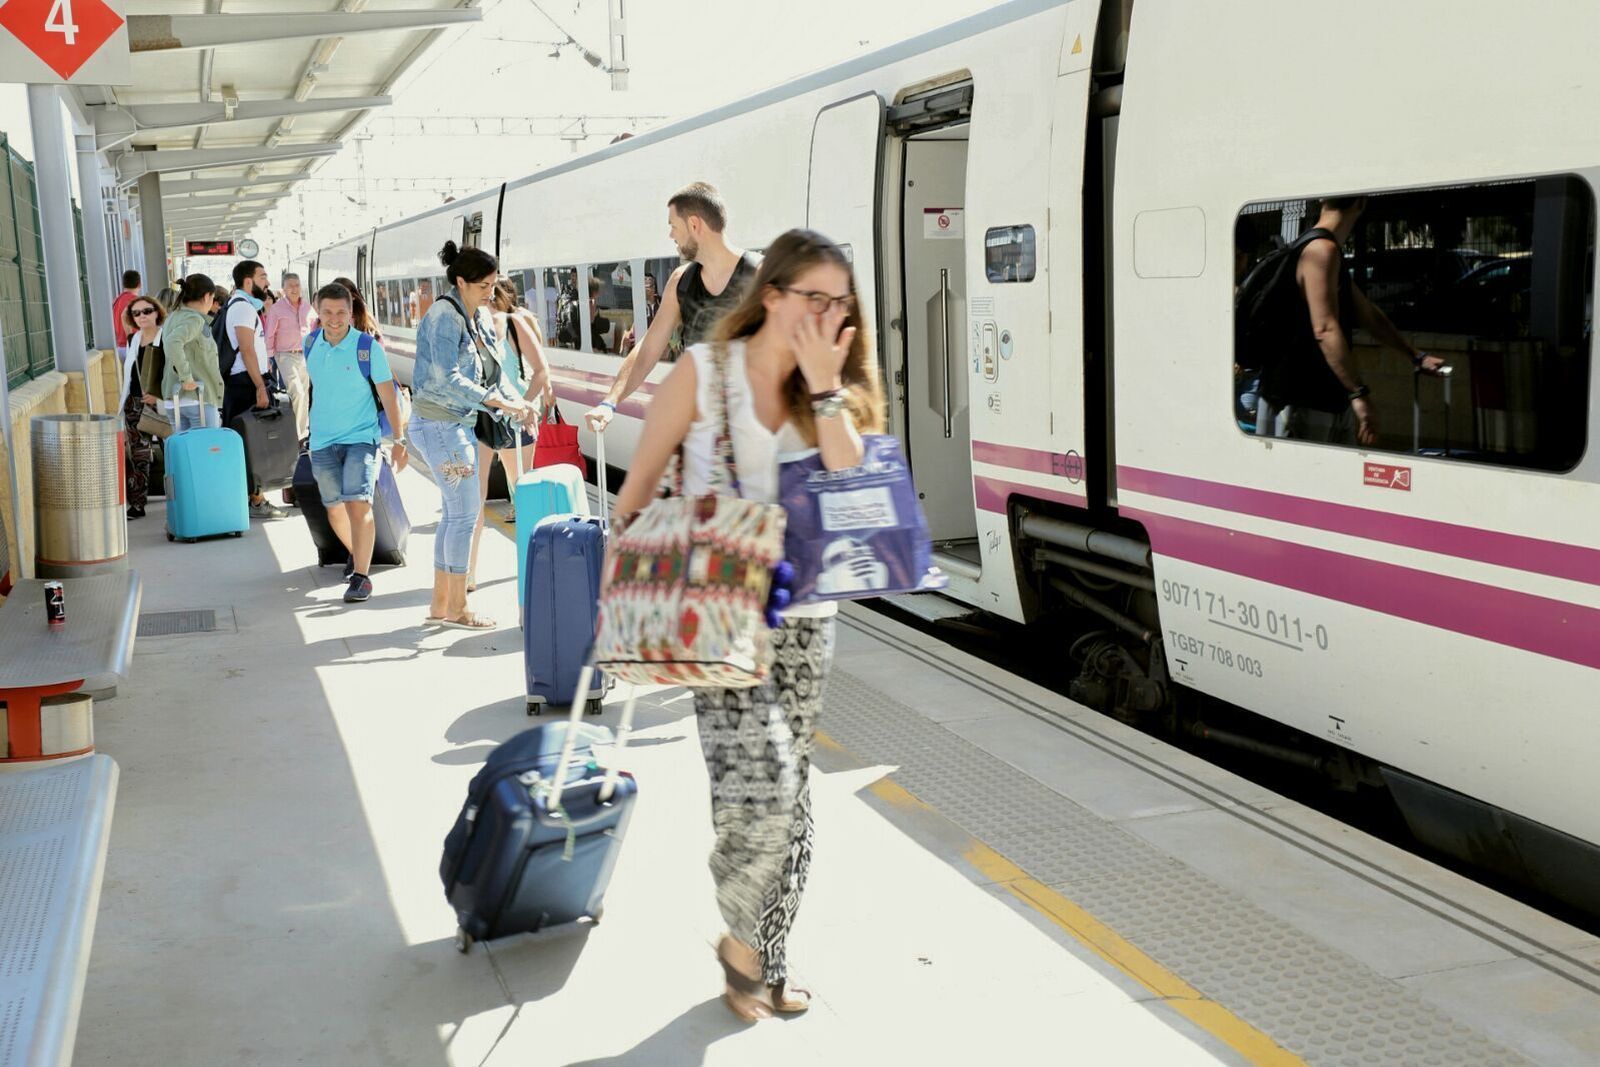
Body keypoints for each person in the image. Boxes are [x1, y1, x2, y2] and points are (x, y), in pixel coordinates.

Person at [609, 228, 885, 1023]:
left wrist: (829, 385)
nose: (831, 313)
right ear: (772, 296)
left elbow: (850, 479)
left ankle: (766, 959)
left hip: (807, 618)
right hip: (714, 614)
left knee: (791, 797)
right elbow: (638, 491)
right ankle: (740, 939)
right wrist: (612, 599)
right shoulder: (705, 372)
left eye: (842, 302)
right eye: (815, 298)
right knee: (759, 787)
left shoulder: (832, 385)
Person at [408, 240, 538, 629]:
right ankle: (458, 608)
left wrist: (520, 403)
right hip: (440, 425)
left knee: (455, 514)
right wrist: (498, 404)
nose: (490, 293)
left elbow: (494, 371)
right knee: (464, 516)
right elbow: (446, 378)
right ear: (461, 281)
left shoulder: (477, 315)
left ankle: (440, 605)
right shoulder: (446, 317)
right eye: (483, 286)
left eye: (493, 285)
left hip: (455, 425)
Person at [1257, 197, 1446, 445]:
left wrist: (1416, 356)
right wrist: (1359, 394)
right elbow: (1324, 329)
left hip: (1329, 399)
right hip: (1300, 401)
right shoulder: (1320, 251)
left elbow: (1368, 315)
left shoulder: (1328, 250)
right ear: (1360, 203)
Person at [587, 181, 761, 432]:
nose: (671, 235)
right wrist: (609, 402)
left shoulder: (759, 275)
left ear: (694, 224)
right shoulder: (681, 282)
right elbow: (648, 349)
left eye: (673, 226)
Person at [304, 282, 409, 604]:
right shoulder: (310, 344)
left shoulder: (366, 347)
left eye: (341, 313)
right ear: (318, 313)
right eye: (327, 312)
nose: (334, 319)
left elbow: (388, 395)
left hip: (361, 439)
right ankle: (356, 553)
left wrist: (399, 438)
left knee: (358, 503)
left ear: (351, 312)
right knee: (334, 508)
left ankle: (362, 576)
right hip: (322, 440)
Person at [466, 278, 555, 586]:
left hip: (517, 420)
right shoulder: (467, 326)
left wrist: (525, 403)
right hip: (480, 418)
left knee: (524, 492)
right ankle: (469, 573)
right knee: (475, 496)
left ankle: (533, 567)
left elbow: (541, 368)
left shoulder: (516, 323)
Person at [220, 260, 286, 519]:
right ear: (248, 281)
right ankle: (255, 501)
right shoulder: (243, 309)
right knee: (252, 444)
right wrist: (260, 385)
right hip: (245, 384)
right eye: (263, 277)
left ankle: (253, 498)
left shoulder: (240, 306)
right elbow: (246, 350)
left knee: (249, 442)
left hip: (246, 381)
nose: (267, 283)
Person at [120, 295, 166, 519]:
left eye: (147, 311)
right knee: (139, 455)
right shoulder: (133, 339)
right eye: (136, 313)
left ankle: (181, 496)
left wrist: (159, 396)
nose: (142, 316)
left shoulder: (167, 337)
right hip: (135, 404)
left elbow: (174, 371)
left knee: (172, 451)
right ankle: (137, 504)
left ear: (157, 312)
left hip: (162, 404)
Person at [160, 274, 224, 432]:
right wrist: (186, 377)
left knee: (184, 453)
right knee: (206, 450)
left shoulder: (172, 317)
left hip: (174, 398)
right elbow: (173, 342)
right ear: (206, 296)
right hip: (196, 398)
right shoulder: (195, 320)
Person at [264, 271, 318, 444]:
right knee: (298, 393)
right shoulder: (276, 309)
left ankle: (302, 432)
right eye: (290, 286)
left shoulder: (308, 307)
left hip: (305, 356)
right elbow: (269, 335)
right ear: (284, 289)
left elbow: (315, 330)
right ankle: (298, 434)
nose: (294, 289)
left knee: (305, 395)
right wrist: (269, 358)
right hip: (285, 355)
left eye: (297, 285)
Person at [111, 269, 141, 359]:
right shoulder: (137, 301)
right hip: (134, 345)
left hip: (120, 347)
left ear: (123, 284)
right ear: (139, 284)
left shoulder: (116, 301)